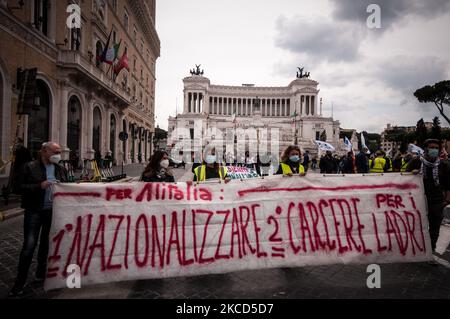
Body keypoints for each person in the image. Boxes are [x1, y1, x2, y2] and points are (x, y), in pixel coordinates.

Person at [9, 142, 68, 297]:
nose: (58, 155)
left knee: (46, 245)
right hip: (34, 211)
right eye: (56, 152)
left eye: (59, 152)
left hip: (52, 212)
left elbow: (68, 186)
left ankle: (40, 274)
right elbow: (17, 187)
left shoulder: (60, 169)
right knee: (29, 246)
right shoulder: (29, 167)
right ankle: (19, 284)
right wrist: (39, 186)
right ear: (44, 151)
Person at [407, 139, 450, 254]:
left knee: (434, 228)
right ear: (425, 149)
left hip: (437, 202)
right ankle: (416, 249)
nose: (434, 150)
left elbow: (448, 184)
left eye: (436, 148)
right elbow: (404, 178)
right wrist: (412, 174)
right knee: (417, 226)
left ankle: (431, 250)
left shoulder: (443, 165)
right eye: (432, 148)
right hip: (418, 200)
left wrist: (446, 200)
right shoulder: (416, 162)